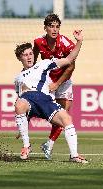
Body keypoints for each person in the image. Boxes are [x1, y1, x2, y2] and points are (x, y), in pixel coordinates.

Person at [14, 29, 87, 163]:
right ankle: (26, 146)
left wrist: (79, 41)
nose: (29, 57)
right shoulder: (18, 78)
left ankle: (74, 155)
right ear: (20, 58)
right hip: (29, 100)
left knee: (67, 119)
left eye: (31, 53)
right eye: (25, 55)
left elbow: (69, 59)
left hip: (46, 100)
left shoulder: (43, 64)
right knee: (19, 103)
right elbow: (21, 103)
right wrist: (22, 127)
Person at [33, 14, 76, 159]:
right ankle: (25, 139)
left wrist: (57, 84)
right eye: (51, 26)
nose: (55, 29)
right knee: (44, 111)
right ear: (45, 28)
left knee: (64, 116)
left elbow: (71, 67)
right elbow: (32, 61)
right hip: (48, 81)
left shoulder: (66, 43)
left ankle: (49, 145)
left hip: (63, 82)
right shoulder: (38, 42)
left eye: (57, 26)